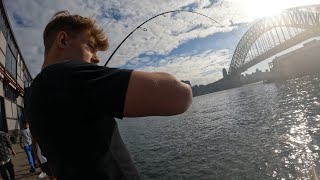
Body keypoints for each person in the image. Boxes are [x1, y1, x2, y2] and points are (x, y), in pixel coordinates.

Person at [25, 11, 192, 179]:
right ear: (63, 40)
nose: (96, 59)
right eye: (90, 46)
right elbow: (180, 95)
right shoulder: (69, 75)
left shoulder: (32, 94)